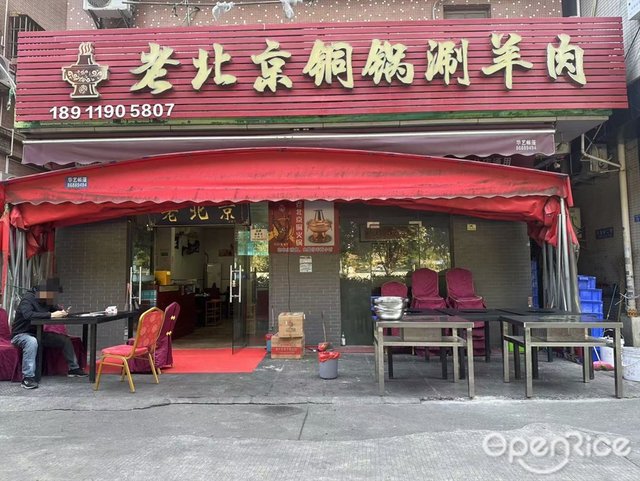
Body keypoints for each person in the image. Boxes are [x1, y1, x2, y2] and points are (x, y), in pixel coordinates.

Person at [10, 278, 86, 389]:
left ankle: (74, 369)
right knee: (32, 342)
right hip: (21, 335)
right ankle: (28, 378)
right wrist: (51, 315)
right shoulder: (28, 299)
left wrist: (63, 312)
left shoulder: (46, 300)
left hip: (39, 334)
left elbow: (55, 309)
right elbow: (28, 315)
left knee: (64, 340)